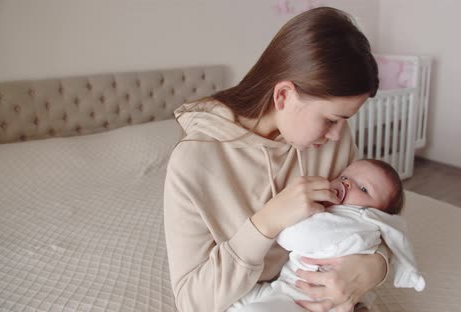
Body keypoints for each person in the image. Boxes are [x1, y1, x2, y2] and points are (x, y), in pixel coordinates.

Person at [164, 7, 389, 312]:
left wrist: (374, 267)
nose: (337, 135)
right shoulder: (193, 163)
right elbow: (191, 302)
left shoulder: (334, 139)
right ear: (284, 96)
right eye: (331, 120)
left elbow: (367, 219)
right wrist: (265, 223)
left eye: (344, 120)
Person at [227, 159, 425, 312]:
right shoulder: (357, 223)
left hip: (303, 299)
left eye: (363, 189)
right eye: (345, 176)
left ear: (378, 214)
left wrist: (280, 215)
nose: (348, 184)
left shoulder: (352, 222)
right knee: (231, 303)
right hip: (289, 288)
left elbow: (291, 236)